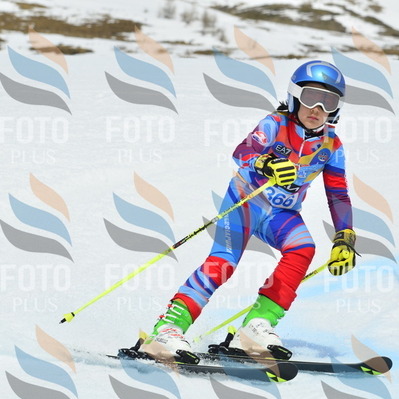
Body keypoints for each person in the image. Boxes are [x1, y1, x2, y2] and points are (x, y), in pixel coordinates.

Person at [139, 60, 357, 361]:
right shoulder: (275, 124)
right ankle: (166, 330)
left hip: (281, 214)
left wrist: (345, 235)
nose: (317, 108)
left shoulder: (332, 145)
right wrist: (265, 163)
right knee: (223, 263)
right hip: (245, 202)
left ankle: (256, 326)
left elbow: (338, 193)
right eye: (310, 97)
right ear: (295, 96)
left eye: (328, 102)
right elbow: (242, 152)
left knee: (303, 248)